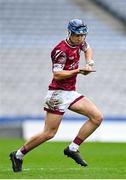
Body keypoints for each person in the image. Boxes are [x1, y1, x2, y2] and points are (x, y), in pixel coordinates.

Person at [9, 19, 103, 172]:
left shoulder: (80, 42)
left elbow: (87, 48)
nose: (80, 38)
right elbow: (57, 74)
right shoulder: (60, 50)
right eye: (77, 35)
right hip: (57, 94)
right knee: (49, 133)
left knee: (97, 117)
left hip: (70, 92)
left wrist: (89, 63)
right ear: (69, 33)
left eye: (83, 35)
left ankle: (72, 148)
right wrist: (78, 71)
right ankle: (18, 155)